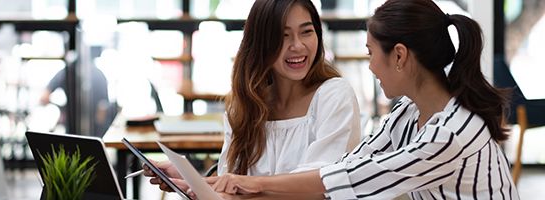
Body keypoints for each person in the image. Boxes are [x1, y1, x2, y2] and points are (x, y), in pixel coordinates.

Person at [207, 0, 520, 199]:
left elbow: (359, 178)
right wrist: (218, 183)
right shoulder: (408, 115)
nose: (370, 66)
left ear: (399, 56)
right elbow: (350, 163)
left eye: (371, 53)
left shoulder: (451, 132)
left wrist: (256, 185)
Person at [144, 0, 362, 193]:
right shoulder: (246, 105)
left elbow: (320, 187)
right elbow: (233, 184)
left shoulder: (333, 95)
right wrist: (193, 180)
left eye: (306, 31)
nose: (297, 45)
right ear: (260, 43)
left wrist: (237, 186)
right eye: (283, 36)